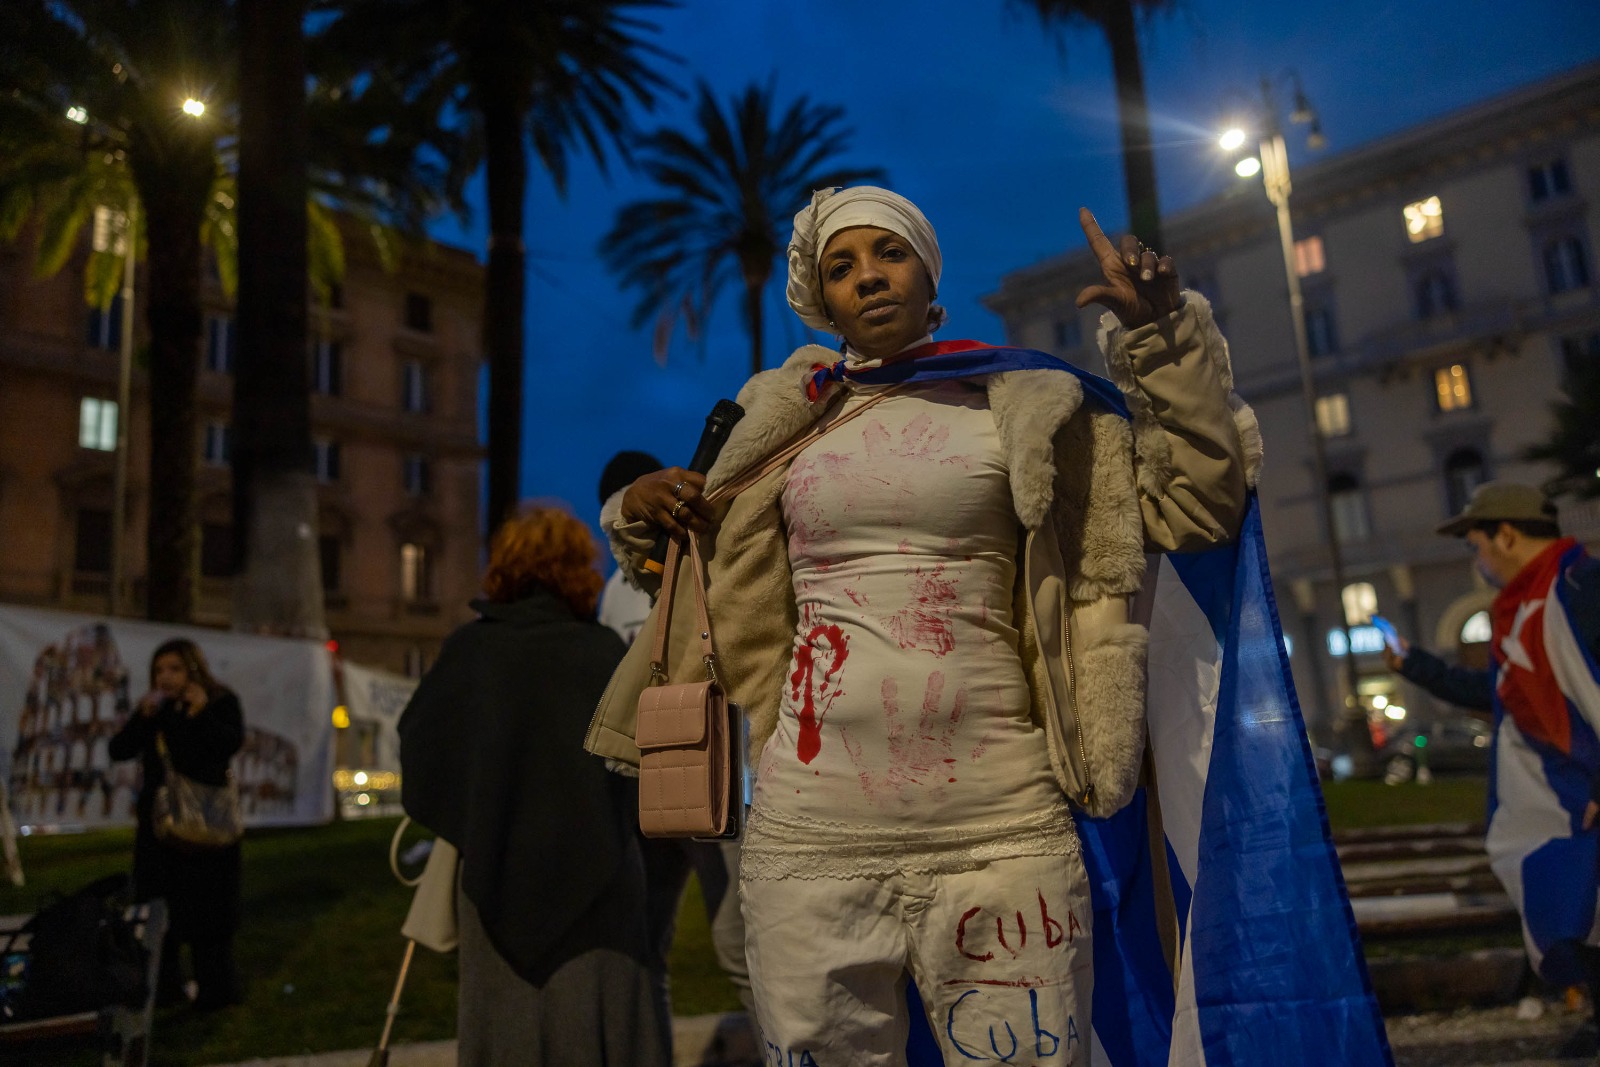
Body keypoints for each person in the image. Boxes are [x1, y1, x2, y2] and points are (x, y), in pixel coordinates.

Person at [588, 185, 1259, 1064]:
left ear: (929, 272)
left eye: (888, 254)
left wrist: (1163, 337)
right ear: (820, 297)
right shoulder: (784, 421)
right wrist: (637, 509)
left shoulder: (1031, 404)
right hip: (810, 832)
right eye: (842, 266)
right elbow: (688, 572)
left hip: (1000, 824)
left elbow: (1198, 508)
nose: (867, 277)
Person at [398, 505, 668, 1067]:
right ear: (578, 570)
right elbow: (642, 766)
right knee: (599, 1025)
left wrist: (472, 820)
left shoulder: (470, 652)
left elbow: (422, 750)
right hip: (601, 881)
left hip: (494, 877)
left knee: (507, 1028)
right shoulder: (601, 653)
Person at [1383, 481, 1600, 1054]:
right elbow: (1498, 692)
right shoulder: (1527, 606)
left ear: (1507, 534)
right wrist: (1414, 665)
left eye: (1477, 544)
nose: (1477, 559)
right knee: (1573, 909)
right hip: (1553, 799)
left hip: (1581, 790)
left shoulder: (1578, 587)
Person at [596, 449, 760, 1059]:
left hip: (653, 770)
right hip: (706, 758)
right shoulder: (678, 549)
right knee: (735, 941)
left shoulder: (627, 578)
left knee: (655, 941)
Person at [108, 638, 245, 1010]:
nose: (165, 677)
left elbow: (228, 745)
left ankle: (215, 992)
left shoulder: (220, 702)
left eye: (175, 669)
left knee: (209, 917)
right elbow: (119, 749)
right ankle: (164, 990)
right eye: (159, 670)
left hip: (208, 826)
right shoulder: (156, 710)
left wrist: (200, 714)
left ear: (193, 669)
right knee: (159, 914)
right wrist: (142, 717)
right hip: (161, 832)